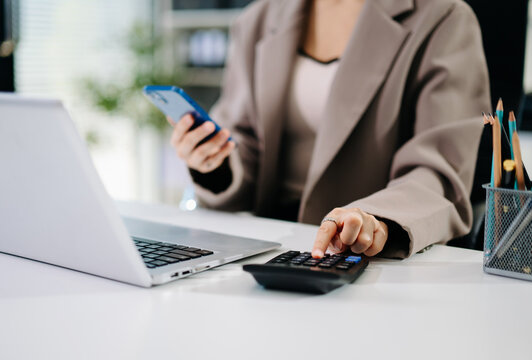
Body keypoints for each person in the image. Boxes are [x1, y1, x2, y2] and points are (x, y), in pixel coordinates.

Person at [167, 0, 491, 259]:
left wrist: (375, 218)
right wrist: (215, 163)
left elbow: (438, 172)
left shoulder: (444, 18)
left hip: (362, 255)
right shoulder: (257, 19)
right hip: (271, 247)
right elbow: (247, 144)